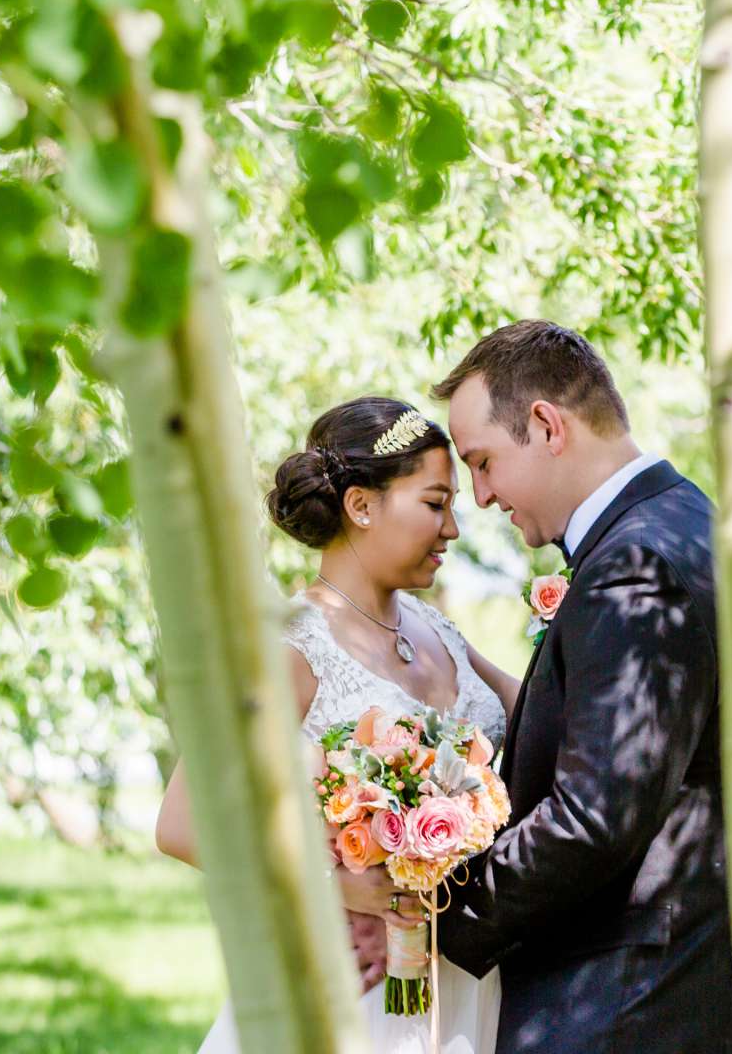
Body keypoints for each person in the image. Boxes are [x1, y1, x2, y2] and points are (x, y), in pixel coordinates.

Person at [158, 396, 520, 1054]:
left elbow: (539, 710)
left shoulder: (437, 629)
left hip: (464, 978)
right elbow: (182, 825)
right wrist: (339, 886)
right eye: (436, 504)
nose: (453, 530)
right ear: (361, 505)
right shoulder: (289, 644)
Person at [427, 319, 732, 1054]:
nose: (479, 497)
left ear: (545, 425)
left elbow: (593, 817)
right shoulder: (690, 523)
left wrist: (437, 912)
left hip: (619, 1007)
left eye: (483, 462)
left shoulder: (635, 564)